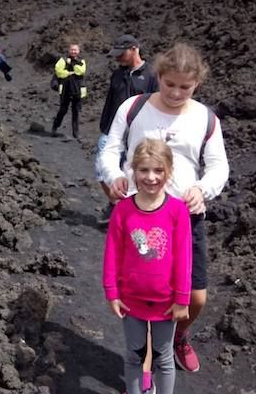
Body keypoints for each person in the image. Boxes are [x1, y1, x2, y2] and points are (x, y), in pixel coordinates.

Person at [99, 42, 230, 373]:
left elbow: (218, 167)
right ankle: (145, 364)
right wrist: (114, 175)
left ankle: (178, 336)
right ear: (158, 76)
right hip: (137, 216)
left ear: (196, 83)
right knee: (141, 294)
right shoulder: (134, 107)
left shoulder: (205, 118)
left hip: (184, 219)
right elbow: (110, 149)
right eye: (169, 84)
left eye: (185, 87)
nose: (175, 92)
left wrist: (202, 189)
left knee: (194, 298)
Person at [103, 138, 192, 394]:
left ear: (169, 172)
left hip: (167, 301)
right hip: (131, 300)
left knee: (164, 358)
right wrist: (112, 293)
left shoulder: (177, 211)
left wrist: (182, 298)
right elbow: (112, 254)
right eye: (144, 170)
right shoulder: (122, 211)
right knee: (134, 356)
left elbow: (184, 258)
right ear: (133, 171)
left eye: (158, 170)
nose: (151, 177)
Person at [96, 34, 159, 225]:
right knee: (102, 169)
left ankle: (137, 213)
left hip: (139, 133)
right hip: (114, 130)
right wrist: (105, 125)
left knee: (135, 173)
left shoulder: (151, 75)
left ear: (134, 49)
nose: (118, 58)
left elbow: (156, 103)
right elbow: (110, 100)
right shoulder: (117, 74)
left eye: (121, 54)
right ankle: (115, 203)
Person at [51, 44, 87, 140]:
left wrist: (71, 66)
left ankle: (76, 134)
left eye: (75, 50)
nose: (73, 52)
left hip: (77, 90)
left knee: (76, 112)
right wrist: (70, 73)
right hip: (65, 89)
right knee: (63, 110)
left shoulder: (81, 60)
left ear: (78, 51)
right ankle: (55, 126)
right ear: (69, 50)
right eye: (72, 50)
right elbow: (59, 71)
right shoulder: (63, 59)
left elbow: (81, 71)